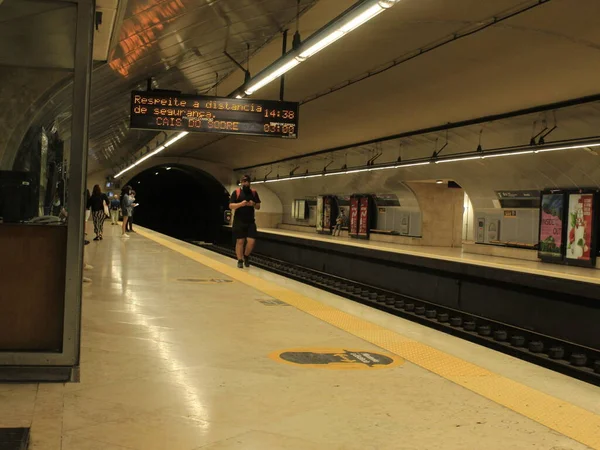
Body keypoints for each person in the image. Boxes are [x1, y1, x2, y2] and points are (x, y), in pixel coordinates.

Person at [229, 175, 261, 268]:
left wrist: (253, 204)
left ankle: (246, 256)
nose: (245, 183)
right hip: (239, 221)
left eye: (246, 181)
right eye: (243, 181)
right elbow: (231, 206)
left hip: (250, 221)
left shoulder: (254, 193)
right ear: (241, 183)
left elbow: (258, 206)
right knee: (240, 241)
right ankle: (239, 260)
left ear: (249, 182)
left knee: (251, 241)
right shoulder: (237, 192)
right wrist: (241, 204)